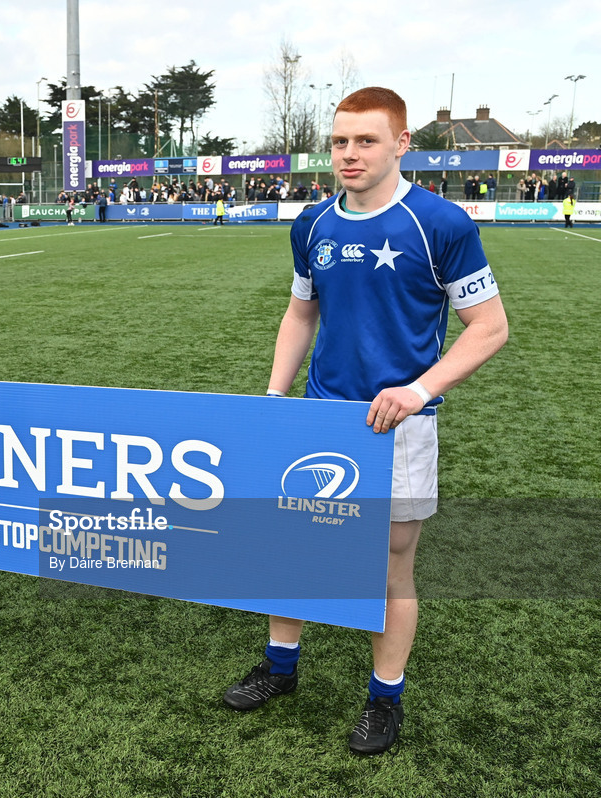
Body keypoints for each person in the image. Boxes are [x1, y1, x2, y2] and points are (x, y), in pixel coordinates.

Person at [221, 87, 508, 756]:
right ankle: (281, 669)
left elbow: (489, 328)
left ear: (402, 144)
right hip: (321, 420)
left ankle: (384, 698)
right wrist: (273, 394)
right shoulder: (314, 224)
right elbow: (301, 313)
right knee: (293, 549)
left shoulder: (441, 225)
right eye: (341, 141)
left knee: (388, 568)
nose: (350, 154)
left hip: (400, 428)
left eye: (367, 140)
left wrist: (419, 389)